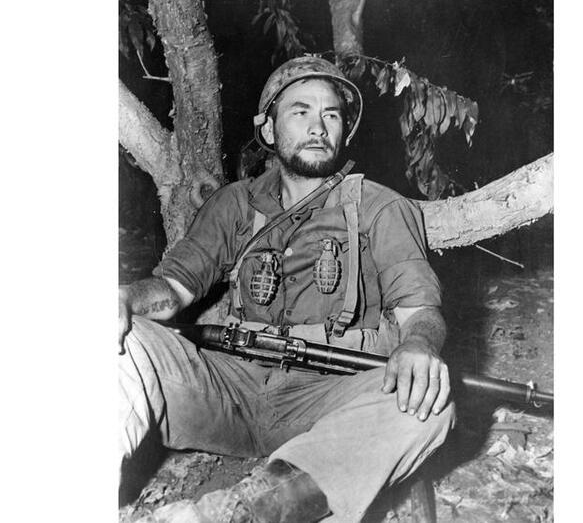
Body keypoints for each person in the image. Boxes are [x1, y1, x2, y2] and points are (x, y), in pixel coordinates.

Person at [119, 56, 456, 523]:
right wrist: (123, 299)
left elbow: (420, 310)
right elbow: (173, 289)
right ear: (271, 131)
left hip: (331, 395)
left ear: (344, 132)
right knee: (119, 341)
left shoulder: (381, 208)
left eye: (331, 115)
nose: (318, 126)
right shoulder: (235, 203)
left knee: (428, 405)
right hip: (230, 389)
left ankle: (235, 513)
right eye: (301, 111)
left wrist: (419, 344)